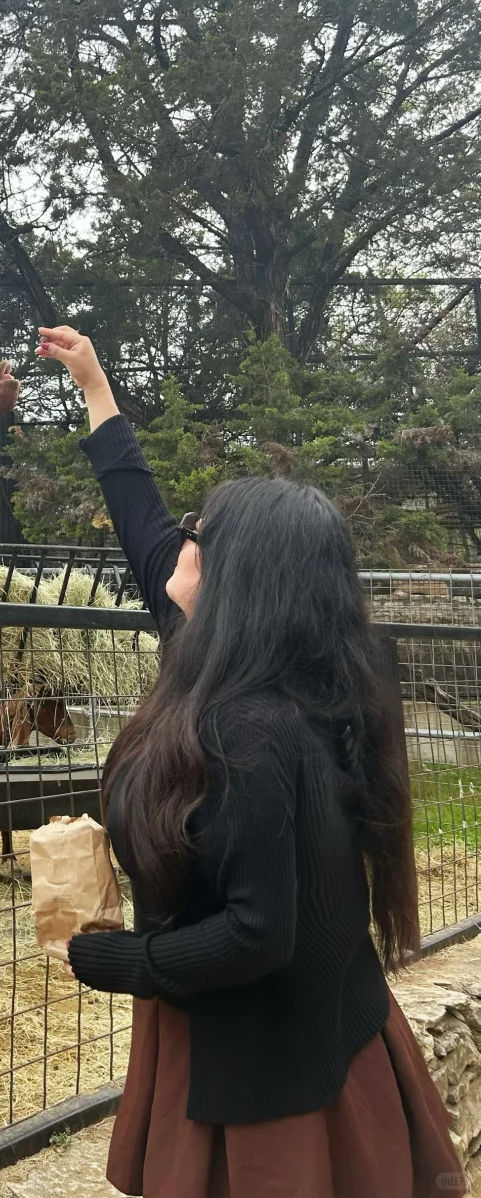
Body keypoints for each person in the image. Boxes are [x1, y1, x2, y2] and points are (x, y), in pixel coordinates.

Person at [35, 324, 464, 1198]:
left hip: (271, 1067)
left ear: (243, 582)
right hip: (300, 1023)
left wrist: (120, 962)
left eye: (200, 538)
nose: (177, 548)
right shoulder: (257, 663)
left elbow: (258, 931)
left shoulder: (254, 732)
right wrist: (95, 388)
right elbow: (141, 519)